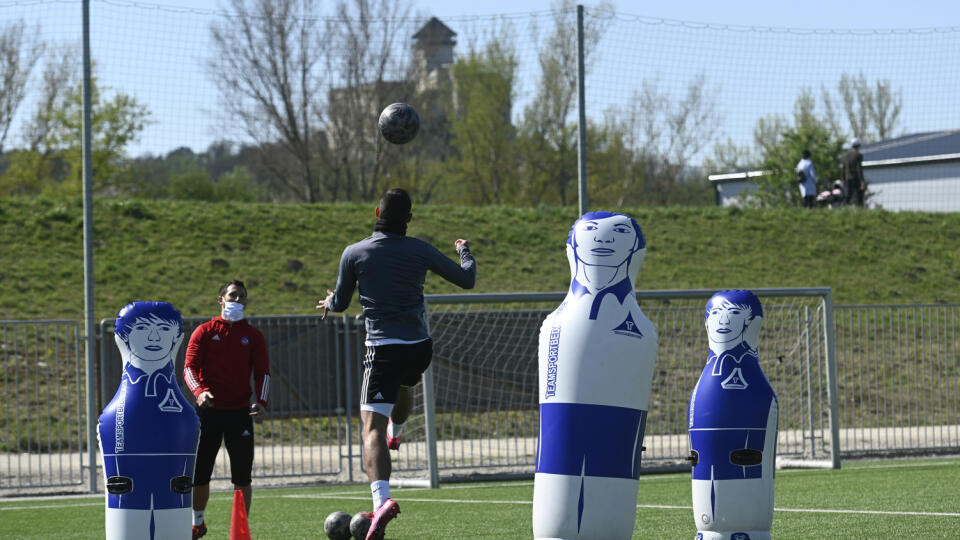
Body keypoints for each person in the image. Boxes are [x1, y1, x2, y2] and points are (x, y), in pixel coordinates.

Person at [316, 188, 476, 540]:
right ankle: (398, 434)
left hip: (383, 348)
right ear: (409, 219)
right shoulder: (419, 249)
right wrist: (464, 251)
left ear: (376, 211)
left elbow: (341, 303)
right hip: (419, 346)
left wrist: (330, 298)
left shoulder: (354, 252)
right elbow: (467, 279)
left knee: (370, 427)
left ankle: (382, 501)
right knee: (403, 387)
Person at [183, 280, 271, 540]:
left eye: (242, 297)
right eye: (232, 296)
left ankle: (241, 527)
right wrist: (200, 392)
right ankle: (197, 523)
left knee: (242, 476)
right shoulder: (204, 331)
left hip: (239, 413)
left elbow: (263, 372)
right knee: (201, 473)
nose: (237, 300)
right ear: (220, 299)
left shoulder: (253, 336)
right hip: (208, 412)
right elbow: (189, 368)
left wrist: (262, 402)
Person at [842, 137, 866, 206]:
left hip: (847, 178)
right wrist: (862, 181)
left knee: (849, 195)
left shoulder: (846, 155)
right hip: (856, 178)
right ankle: (860, 209)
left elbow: (843, 168)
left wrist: (843, 179)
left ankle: (845, 207)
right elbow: (859, 168)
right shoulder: (858, 155)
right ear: (858, 146)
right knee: (859, 195)